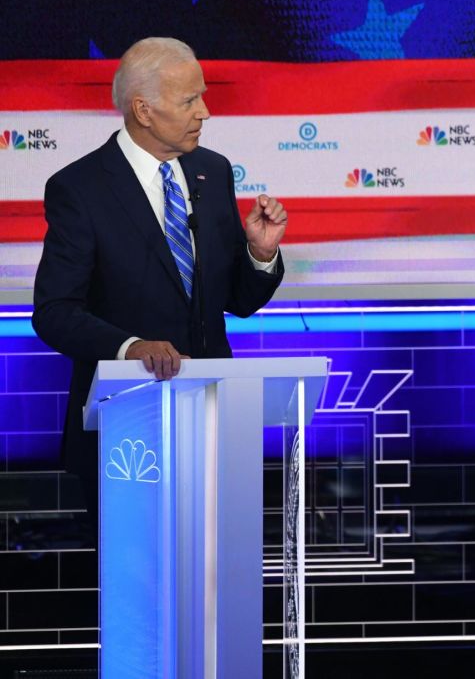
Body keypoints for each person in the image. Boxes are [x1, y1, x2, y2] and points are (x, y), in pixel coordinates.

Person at [33, 36, 287, 529]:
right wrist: (130, 347)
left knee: (213, 580)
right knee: (137, 587)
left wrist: (260, 253)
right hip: (126, 428)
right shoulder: (79, 189)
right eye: (190, 100)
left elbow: (235, 299)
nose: (205, 112)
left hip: (213, 421)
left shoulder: (211, 172)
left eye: (203, 96)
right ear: (143, 109)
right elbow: (55, 311)